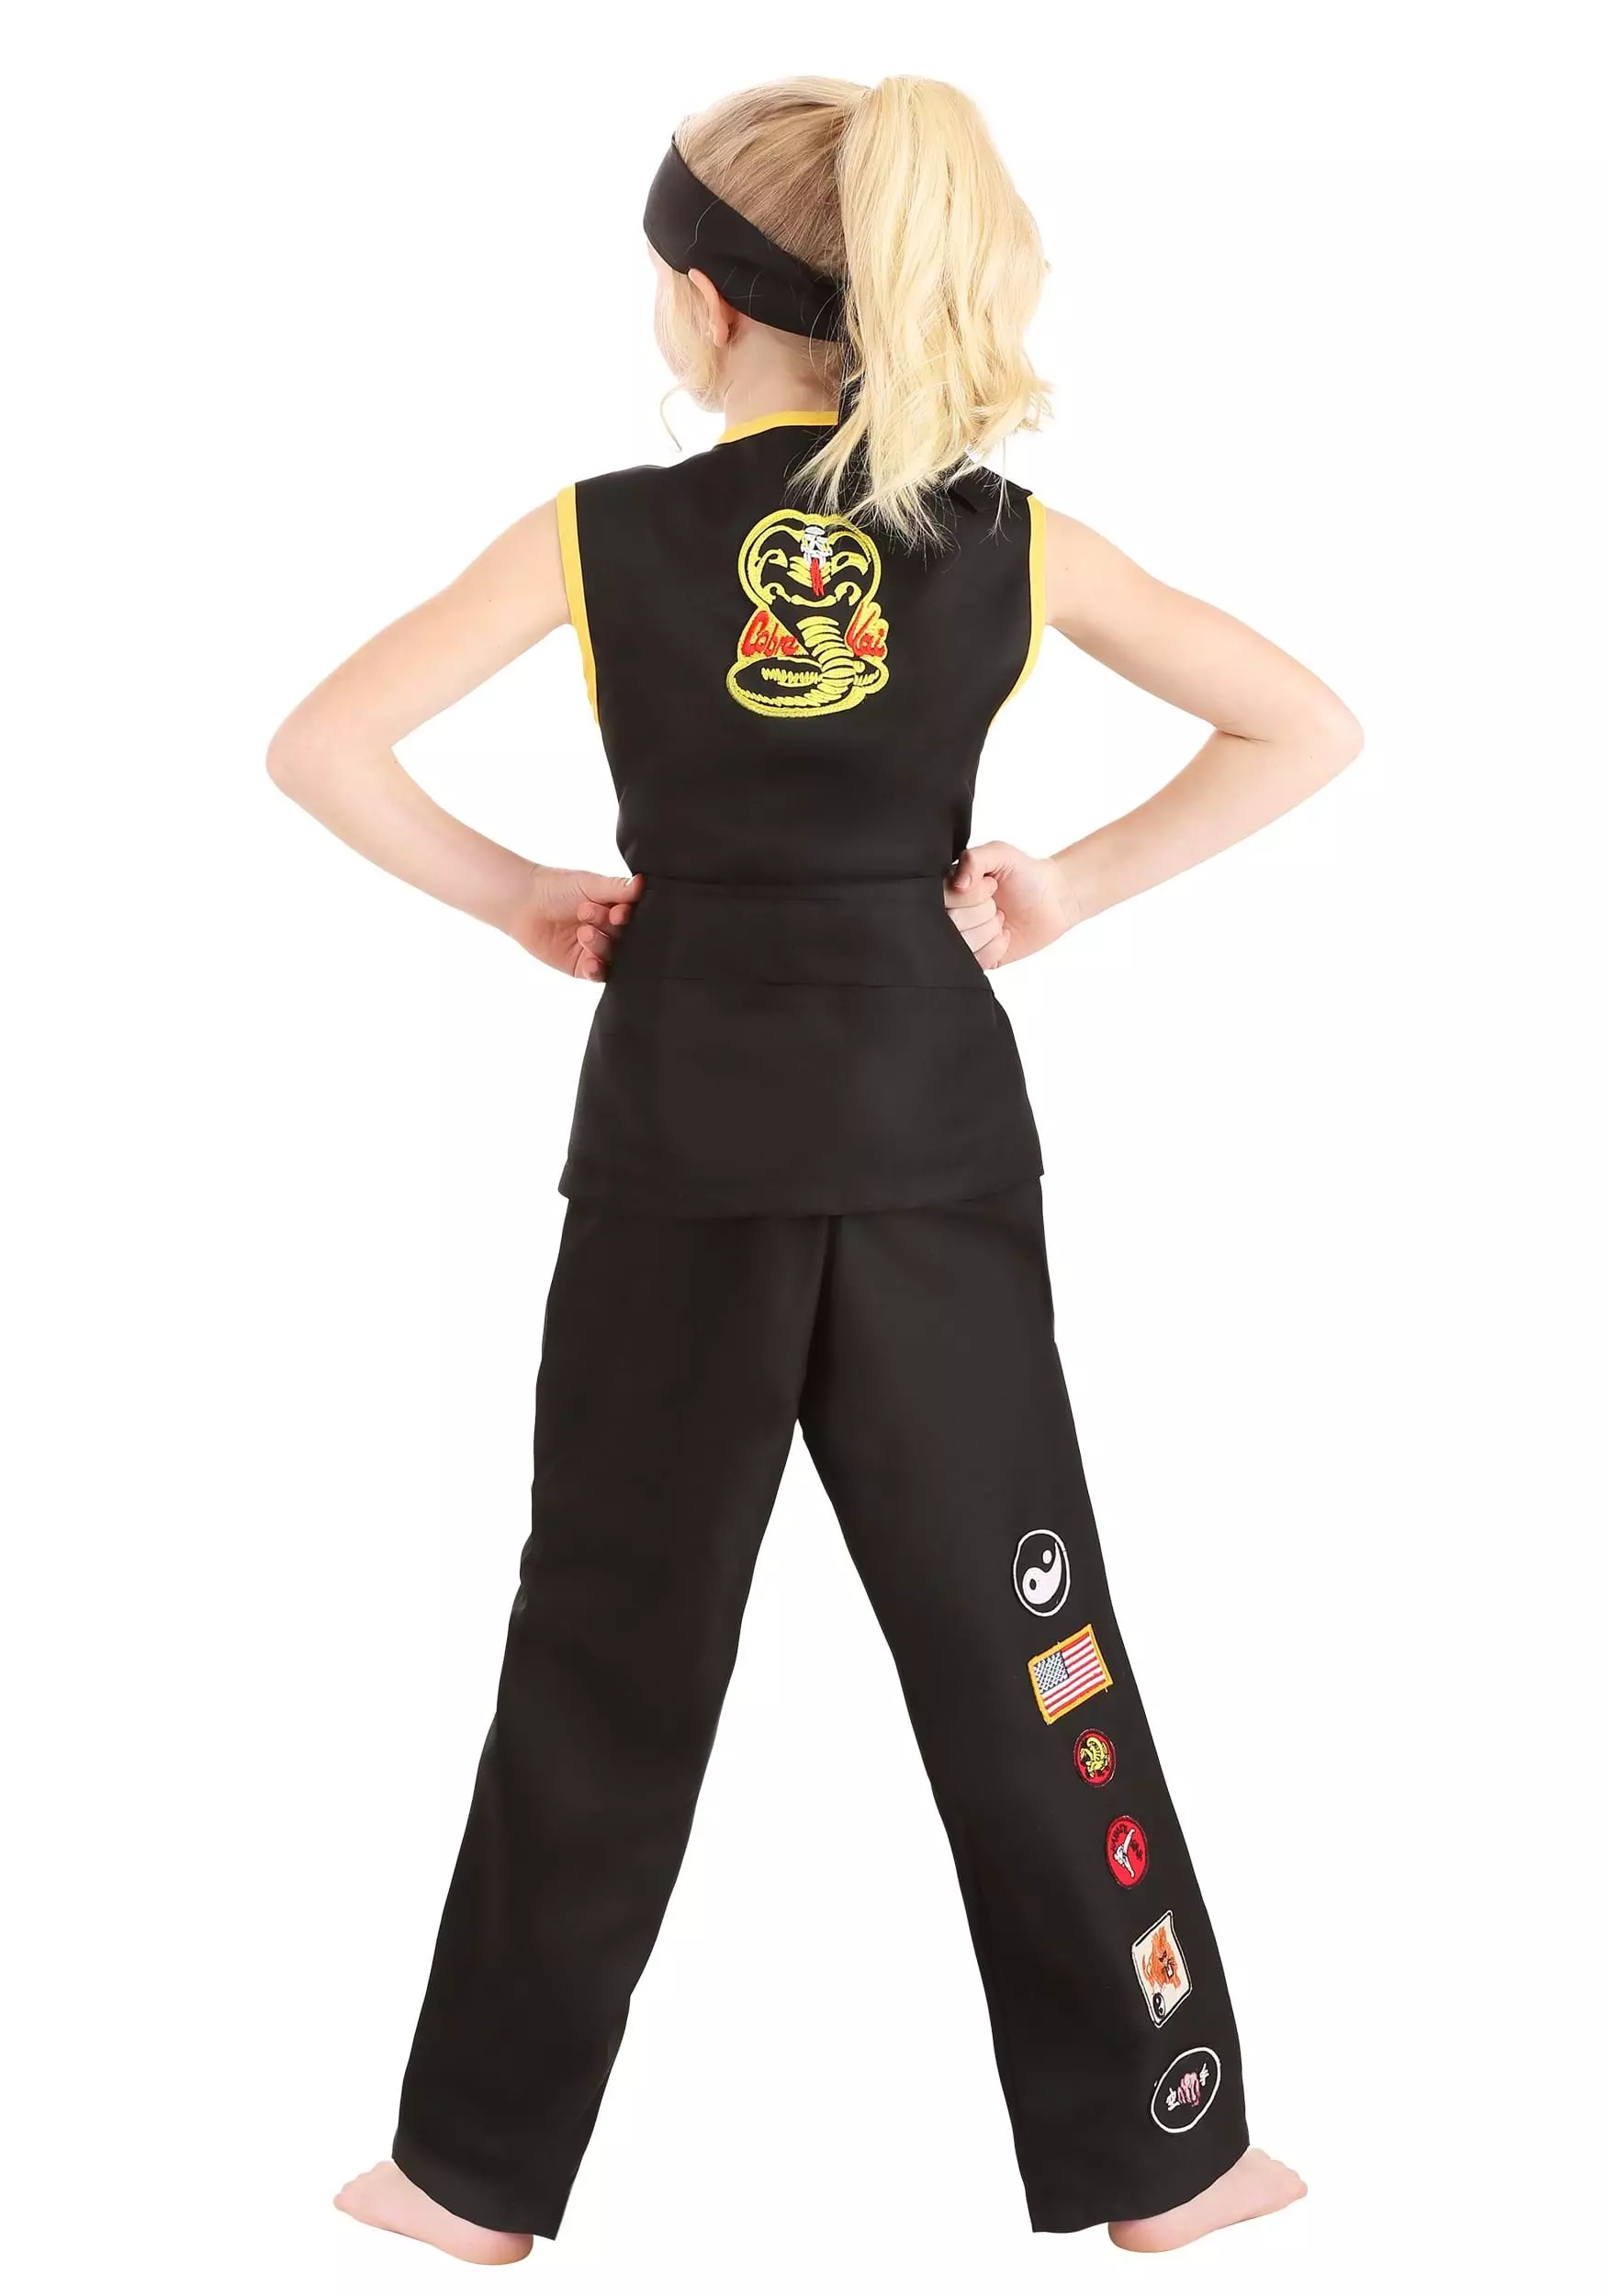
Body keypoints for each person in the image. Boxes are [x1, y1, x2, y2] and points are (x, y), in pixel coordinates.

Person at [268, 73, 1359, 2266]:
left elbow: (320, 745)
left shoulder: (590, 537)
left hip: (678, 1124)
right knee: (1025, 1628)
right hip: (927, 1124)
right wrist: (1068, 888)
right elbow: (1302, 722)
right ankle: (1171, 2153)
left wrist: (513, 895)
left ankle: (465, 2175)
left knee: (606, 1634)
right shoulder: (1009, 540)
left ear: (701, 305)